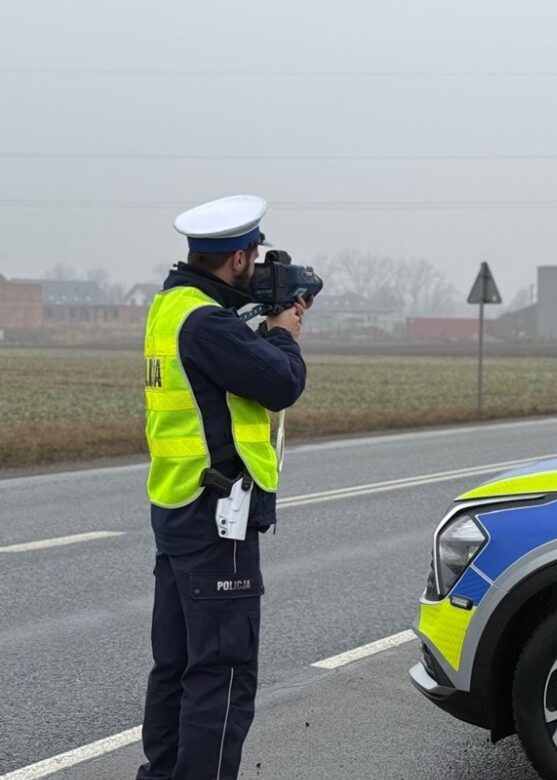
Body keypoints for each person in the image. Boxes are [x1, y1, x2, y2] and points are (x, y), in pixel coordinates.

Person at [137, 195, 307, 780]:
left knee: (177, 669)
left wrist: (254, 328)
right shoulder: (207, 323)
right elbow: (281, 383)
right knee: (222, 675)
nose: (257, 266)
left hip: (178, 510)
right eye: (253, 255)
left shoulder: (172, 307)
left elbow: (222, 382)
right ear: (237, 258)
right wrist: (284, 333)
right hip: (218, 520)